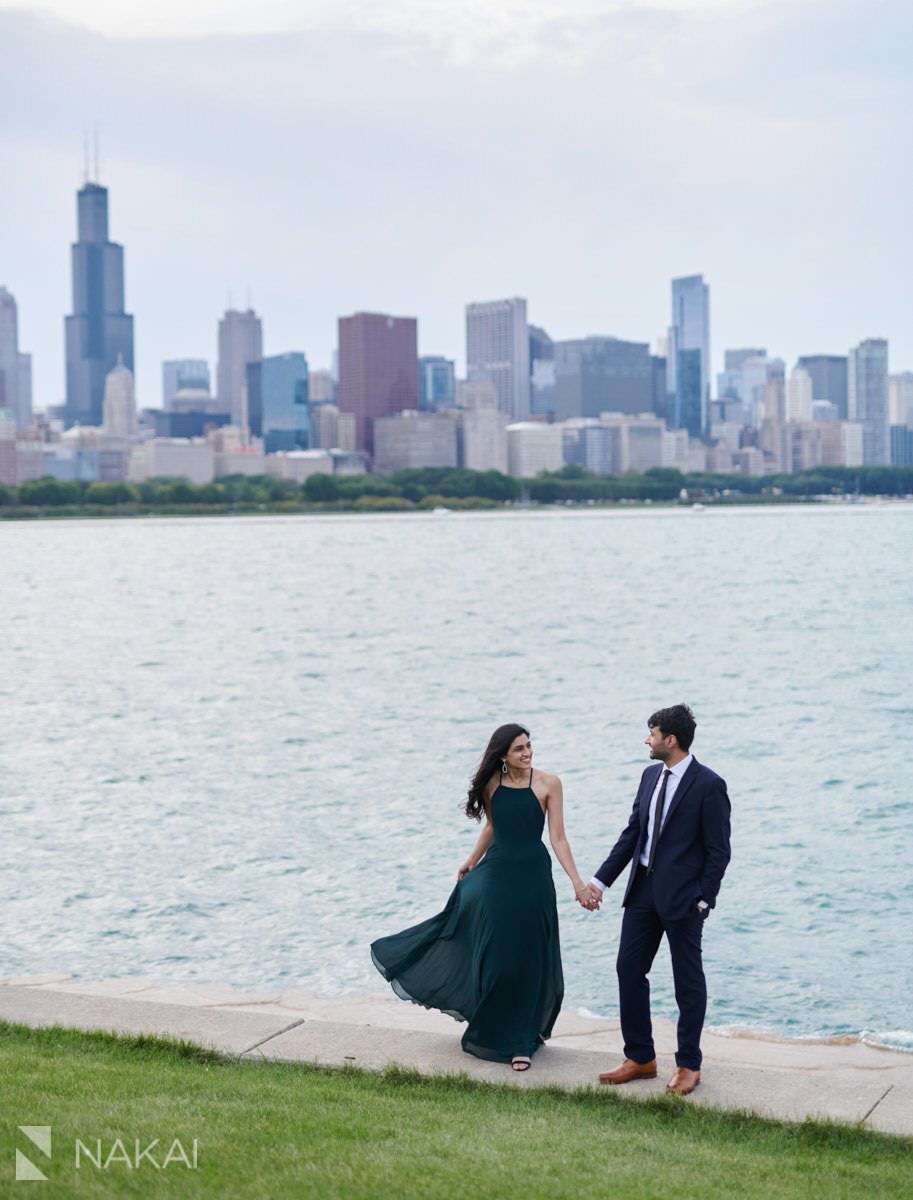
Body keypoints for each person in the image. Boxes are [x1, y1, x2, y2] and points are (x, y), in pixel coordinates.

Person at [371, 723, 592, 1070]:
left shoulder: (550, 783)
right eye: (519, 748)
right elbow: (492, 826)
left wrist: (578, 884)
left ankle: (522, 1040)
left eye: (529, 745)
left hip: (534, 878)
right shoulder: (493, 785)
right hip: (497, 877)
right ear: (503, 755)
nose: (528, 752)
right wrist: (471, 861)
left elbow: (559, 837)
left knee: (529, 958)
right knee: (499, 958)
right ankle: (493, 1027)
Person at [581, 704, 731, 1095]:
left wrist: (704, 900)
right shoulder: (649, 776)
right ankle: (640, 1057)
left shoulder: (709, 785)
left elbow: (719, 851)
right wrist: (600, 881)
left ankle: (688, 1065)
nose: (646, 740)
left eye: (652, 733)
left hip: (684, 900)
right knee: (628, 970)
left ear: (671, 740)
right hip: (642, 893)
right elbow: (632, 835)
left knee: (687, 982)